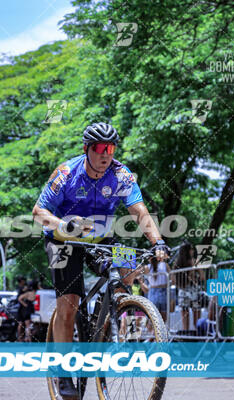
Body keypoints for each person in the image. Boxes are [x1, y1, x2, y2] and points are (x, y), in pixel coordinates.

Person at [32, 122, 169, 397]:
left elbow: (139, 211)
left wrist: (158, 242)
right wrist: (64, 226)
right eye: (100, 148)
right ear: (87, 149)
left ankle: (111, 322)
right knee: (69, 305)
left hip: (100, 237)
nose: (106, 154)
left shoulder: (121, 175)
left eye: (111, 148)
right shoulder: (66, 173)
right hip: (63, 239)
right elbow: (38, 212)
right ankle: (62, 370)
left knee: (128, 270)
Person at [172, 241, 205, 333]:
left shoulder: (177, 263)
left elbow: (173, 279)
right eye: (191, 249)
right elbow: (202, 277)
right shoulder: (193, 261)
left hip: (182, 291)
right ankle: (198, 337)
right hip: (194, 291)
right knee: (196, 320)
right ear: (188, 250)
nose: (193, 250)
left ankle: (186, 339)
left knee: (185, 323)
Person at [146, 256, 169, 322]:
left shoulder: (147, 267)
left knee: (153, 317)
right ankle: (162, 331)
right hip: (163, 290)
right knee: (163, 317)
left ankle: (154, 332)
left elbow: (138, 272)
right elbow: (172, 279)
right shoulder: (165, 265)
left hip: (153, 291)